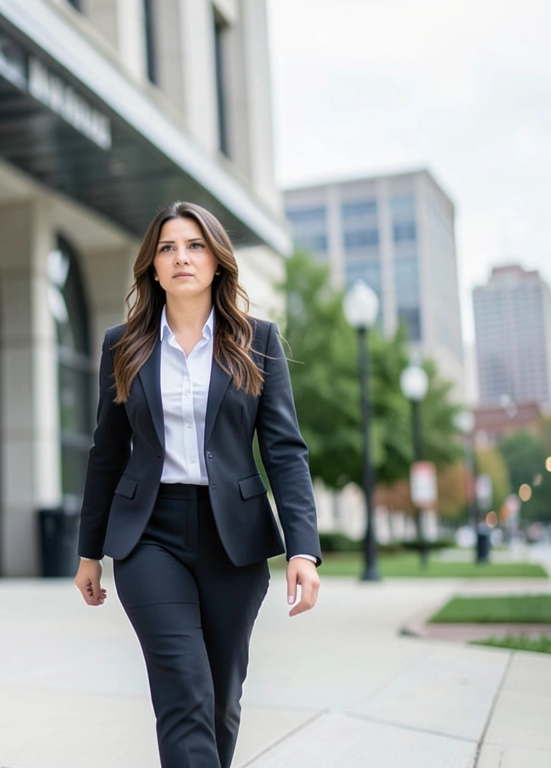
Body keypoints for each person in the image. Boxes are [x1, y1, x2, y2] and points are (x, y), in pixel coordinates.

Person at [73, 201, 321, 768]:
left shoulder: (258, 341)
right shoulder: (123, 345)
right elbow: (105, 453)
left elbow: (284, 450)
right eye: (167, 248)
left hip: (233, 538)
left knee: (220, 702)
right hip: (149, 535)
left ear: (216, 262)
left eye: (194, 246)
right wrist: (90, 551)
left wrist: (303, 548)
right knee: (184, 690)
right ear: (152, 269)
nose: (181, 257)